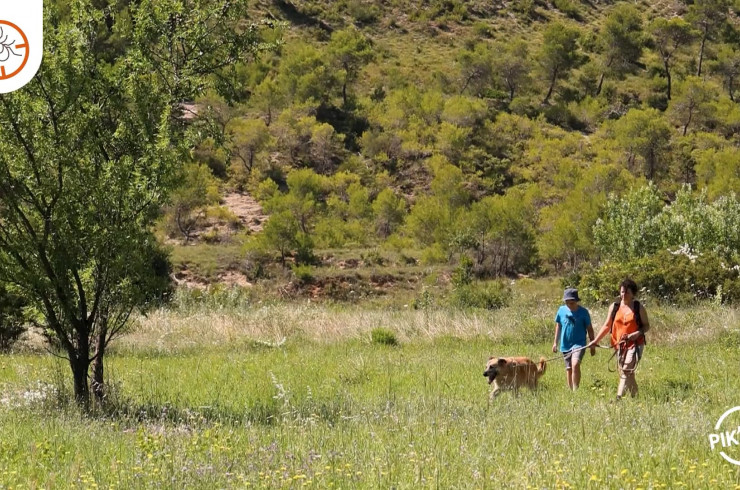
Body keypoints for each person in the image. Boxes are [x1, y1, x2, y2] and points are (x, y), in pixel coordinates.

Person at [588, 278, 650, 400]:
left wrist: (637, 333)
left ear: (633, 294)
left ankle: (618, 398)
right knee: (627, 372)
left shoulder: (638, 307)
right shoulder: (614, 307)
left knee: (626, 368)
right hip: (618, 344)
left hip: (635, 344)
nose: (623, 295)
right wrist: (595, 341)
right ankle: (636, 398)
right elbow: (607, 325)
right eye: (622, 292)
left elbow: (646, 326)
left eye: (627, 292)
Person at [553, 288, 595, 390]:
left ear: (576, 301)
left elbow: (589, 329)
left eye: (572, 303)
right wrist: (555, 343)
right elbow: (558, 326)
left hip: (579, 343)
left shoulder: (583, 312)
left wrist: (592, 344)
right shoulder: (561, 310)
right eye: (567, 303)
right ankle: (571, 390)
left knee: (575, 364)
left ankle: (576, 389)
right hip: (565, 344)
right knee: (569, 368)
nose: (569, 305)